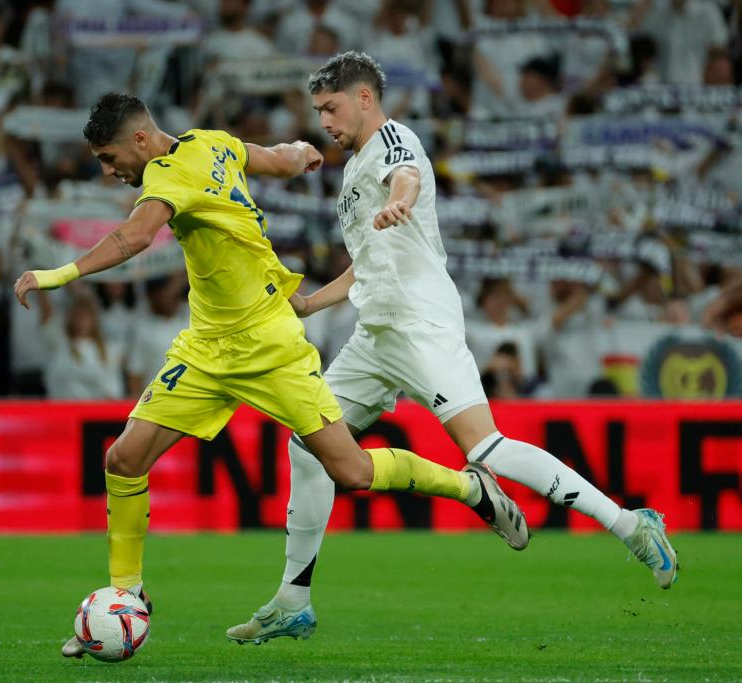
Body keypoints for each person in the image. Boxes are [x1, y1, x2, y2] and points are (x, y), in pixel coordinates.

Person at [12, 93, 528, 657]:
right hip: (208, 348)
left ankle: (469, 487)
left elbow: (135, 238)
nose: (109, 172)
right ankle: (125, 597)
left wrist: (56, 273)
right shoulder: (212, 144)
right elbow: (274, 158)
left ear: (139, 140)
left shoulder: (165, 176)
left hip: (270, 344)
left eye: (109, 158)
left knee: (351, 471)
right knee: (123, 459)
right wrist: (302, 153)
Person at [226, 51, 678, 646]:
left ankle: (628, 523)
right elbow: (369, 262)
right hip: (375, 332)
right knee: (309, 447)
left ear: (365, 97)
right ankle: (293, 600)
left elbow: (406, 177)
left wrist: (403, 199)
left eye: (331, 108)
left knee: (485, 446)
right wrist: (312, 303)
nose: (325, 121)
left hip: (420, 323)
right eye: (317, 111)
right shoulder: (352, 166)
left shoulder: (393, 140)